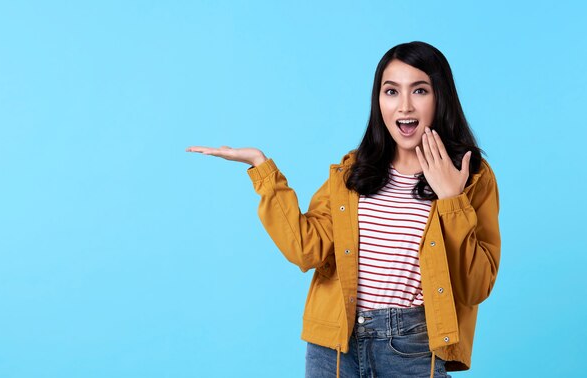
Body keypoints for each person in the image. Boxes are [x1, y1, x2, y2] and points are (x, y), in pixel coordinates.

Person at [186, 41, 500, 378]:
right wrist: (261, 168)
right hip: (335, 345)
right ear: (378, 101)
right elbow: (307, 249)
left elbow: (476, 286)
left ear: (440, 97)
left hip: (412, 347)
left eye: (420, 90)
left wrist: (452, 199)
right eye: (391, 91)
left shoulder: (470, 176)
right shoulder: (352, 173)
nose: (404, 106)